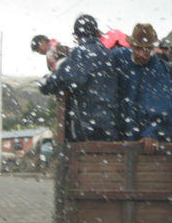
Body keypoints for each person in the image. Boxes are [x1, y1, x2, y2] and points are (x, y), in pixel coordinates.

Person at [39, 14, 119, 142]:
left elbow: (64, 78)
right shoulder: (108, 54)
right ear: (97, 33)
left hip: (87, 126)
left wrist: (45, 83)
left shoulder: (81, 53)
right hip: (110, 124)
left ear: (76, 35)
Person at [112, 23, 172, 153]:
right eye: (138, 49)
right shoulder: (118, 58)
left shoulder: (159, 68)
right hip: (120, 129)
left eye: (147, 49)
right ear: (132, 46)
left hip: (143, 135)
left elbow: (161, 103)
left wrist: (152, 132)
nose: (143, 54)